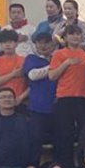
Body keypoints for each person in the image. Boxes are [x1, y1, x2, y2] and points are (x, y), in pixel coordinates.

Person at [47, 24, 85, 168]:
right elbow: (52, 76)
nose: (75, 37)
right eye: (71, 34)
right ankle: (65, 167)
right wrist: (67, 63)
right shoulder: (59, 54)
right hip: (65, 97)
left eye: (78, 34)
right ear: (65, 38)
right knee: (64, 135)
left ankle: (84, 166)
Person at [23, 30, 59, 159]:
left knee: (59, 140)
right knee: (35, 140)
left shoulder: (57, 58)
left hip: (56, 107)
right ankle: (33, 167)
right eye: (39, 43)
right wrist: (55, 65)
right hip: (37, 107)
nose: (43, 46)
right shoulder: (31, 58)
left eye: (46, 43)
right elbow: (33, 75)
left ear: (52, 45)